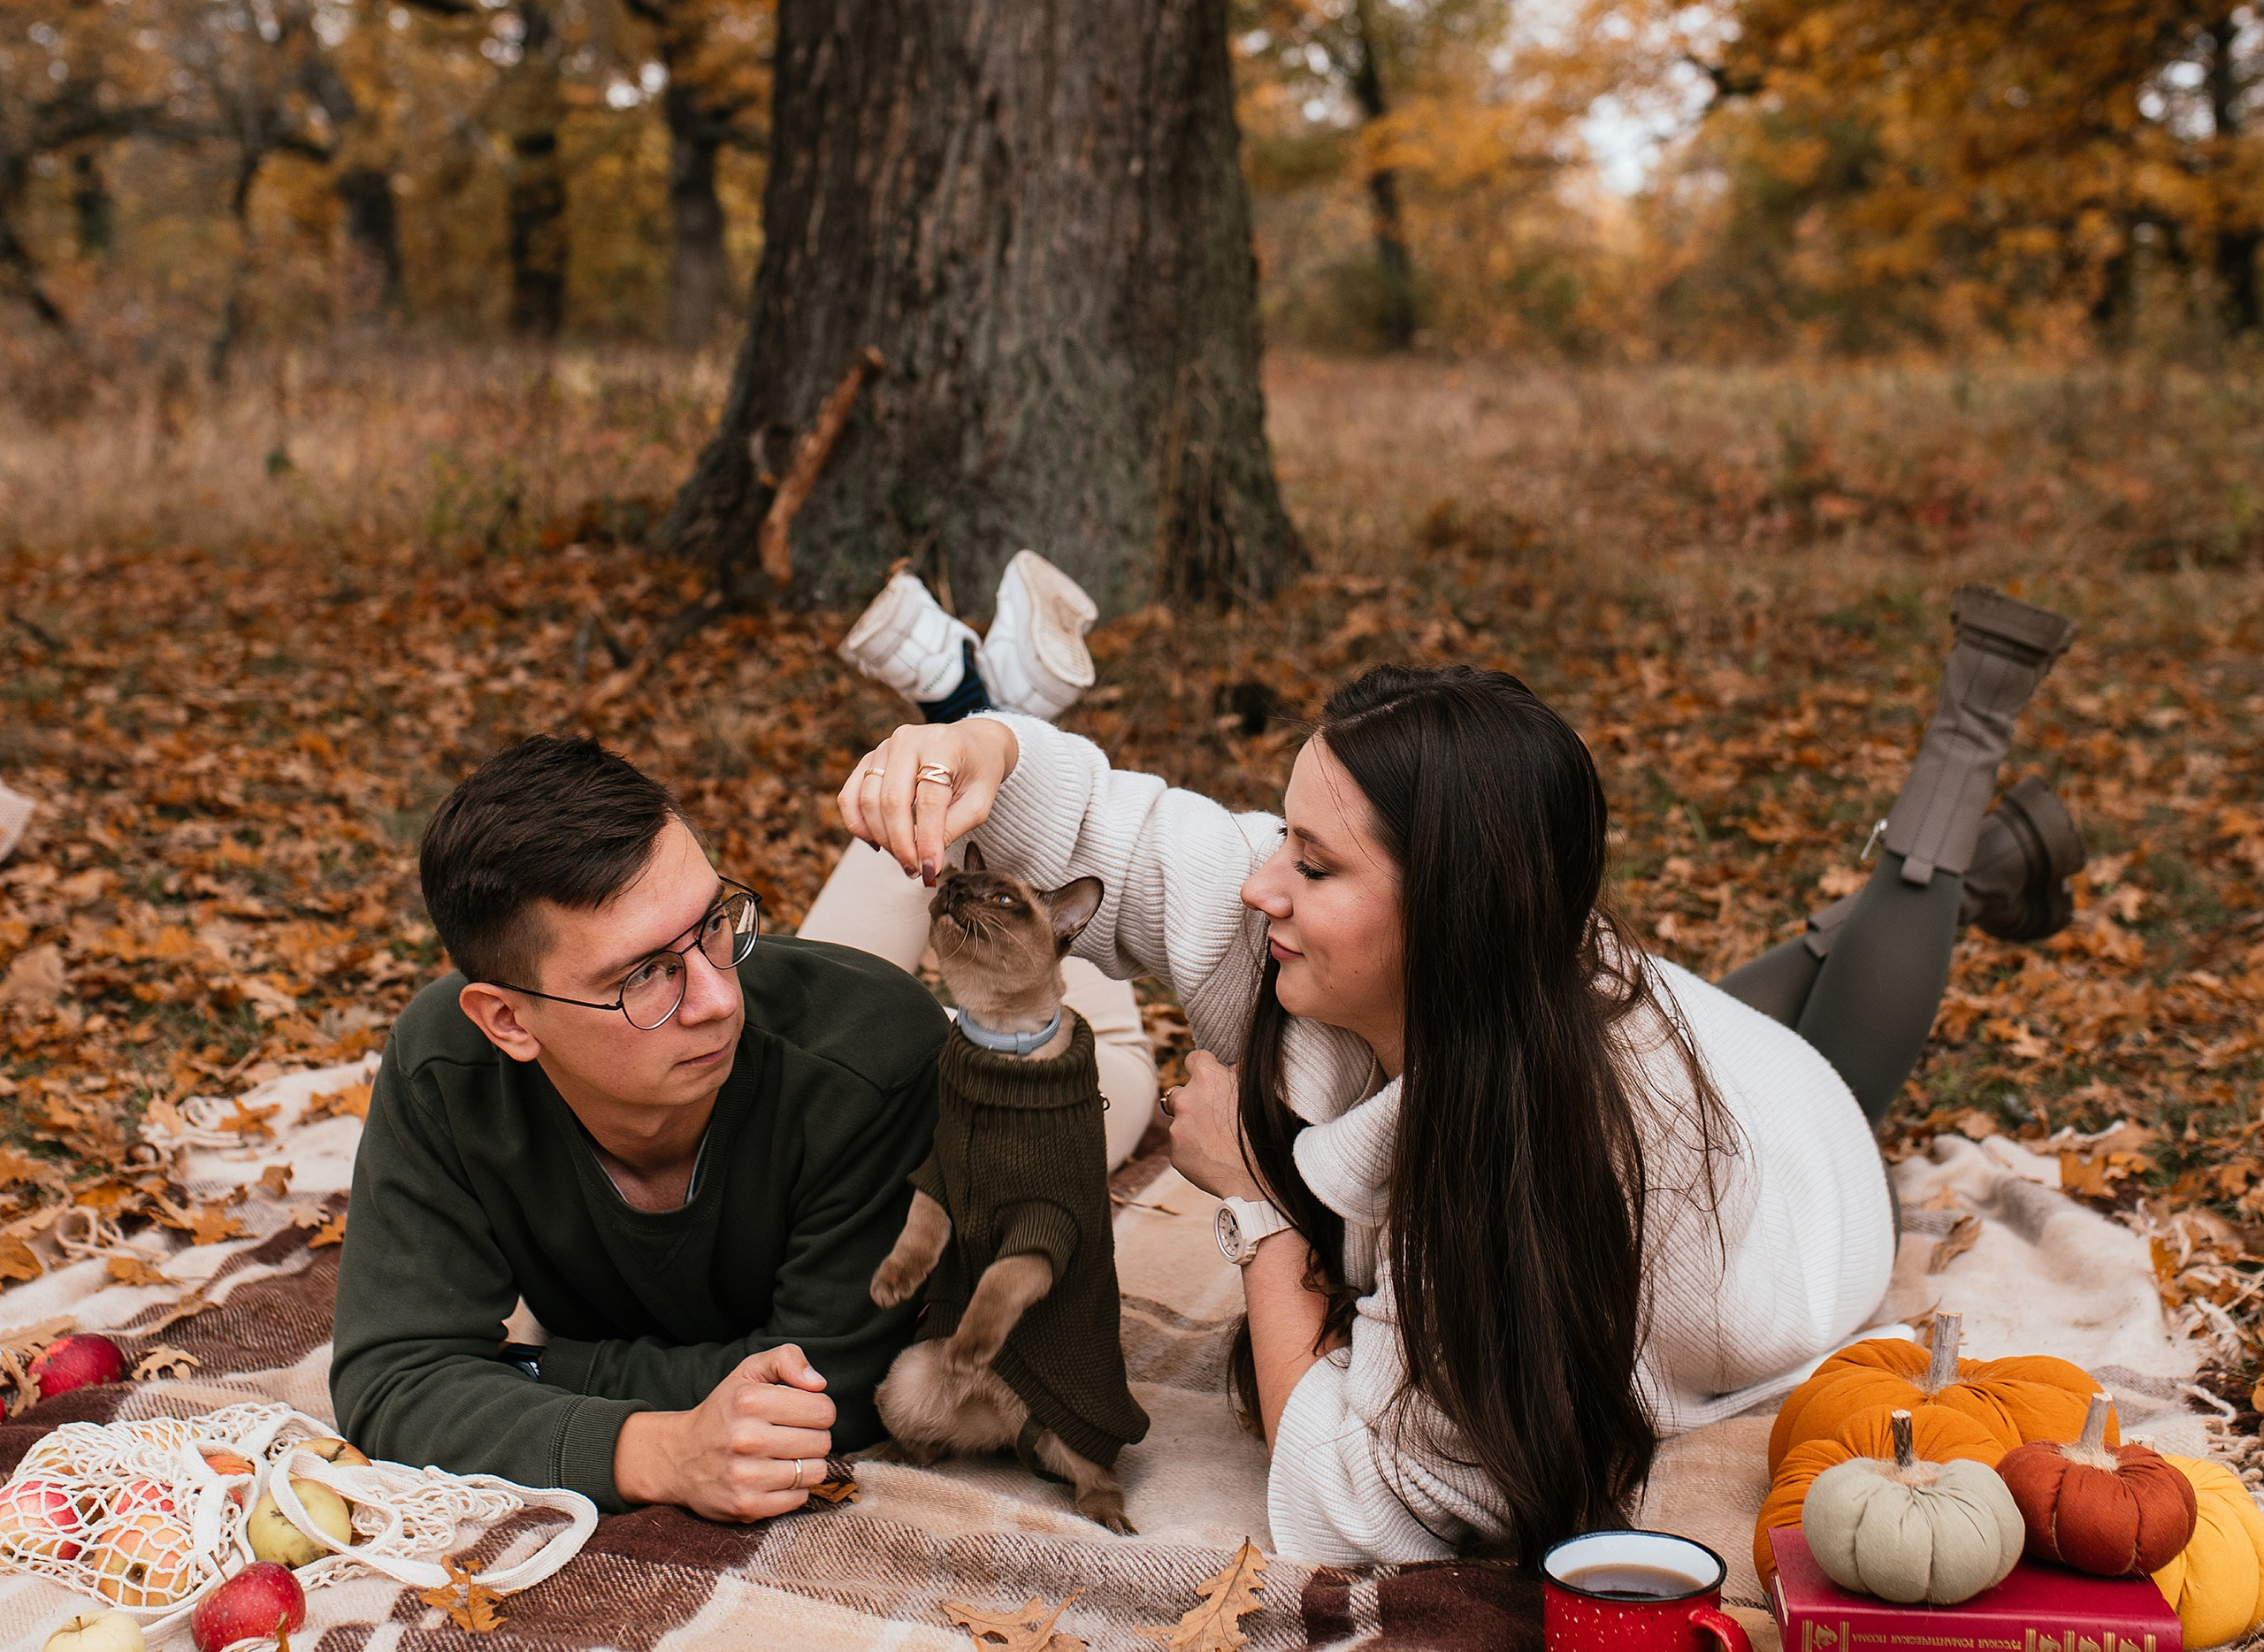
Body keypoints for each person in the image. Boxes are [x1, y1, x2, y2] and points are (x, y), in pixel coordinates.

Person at [837, 588, 2084, 1570]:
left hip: (1796, 1196)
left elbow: (1342, 1500)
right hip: (1653, 1013)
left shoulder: (1536, 1197)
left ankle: (1955, 828)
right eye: (1284, 838)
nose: (1262, 885)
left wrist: (1257, 1203)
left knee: (1845, 1063)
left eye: (1314, 867)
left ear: (1452, 922)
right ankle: (1972, 865)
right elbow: (1130, 835)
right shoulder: (1447, 965)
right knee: (1773, 981)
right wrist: (979, 741)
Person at [331, 733, 945, 1516]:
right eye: (643, 975)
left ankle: (974, 721)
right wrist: (654, 1452)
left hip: (945, 1063)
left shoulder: (875, 1061)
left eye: (715, 921)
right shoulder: (448, 1069)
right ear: (509, 1022)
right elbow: (393, 1384)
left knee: (1070, 1043)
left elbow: (839, 1389)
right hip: (808, 1038)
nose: (718, 998)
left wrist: (533, 1372)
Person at [807, 549, 1161, 1167]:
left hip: (811, 1080)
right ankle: (981, 715)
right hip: (1063, 1089)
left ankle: (979, 720)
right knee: (821, 1033)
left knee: (811, 1024)